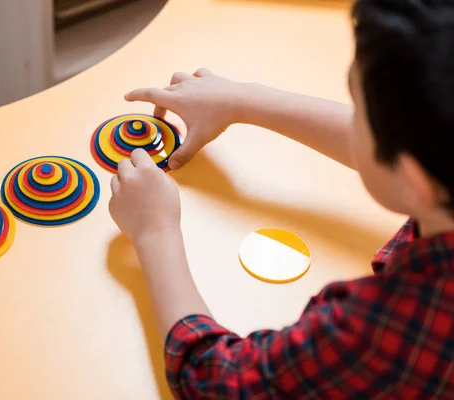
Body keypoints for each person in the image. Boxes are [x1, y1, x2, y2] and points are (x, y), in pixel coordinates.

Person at [108, 0, 454, 398]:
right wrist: (242, 99)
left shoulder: (385, 333)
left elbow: (215, 382)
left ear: (414, 178)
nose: (352, 116)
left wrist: (155, 232)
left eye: (359, 110)